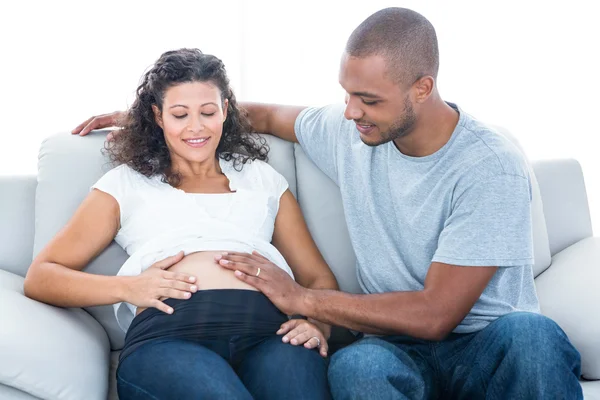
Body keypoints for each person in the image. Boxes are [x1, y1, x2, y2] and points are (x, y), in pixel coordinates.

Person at [72, 8, 583, 400]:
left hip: (485, 344)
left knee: (531, 336)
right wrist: (154, 116)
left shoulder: (487, 166)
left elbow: (436, 316)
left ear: (422, 89)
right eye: (347, 94)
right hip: (392, 348)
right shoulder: (351, 133)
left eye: (369, 100)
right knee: (355, 367)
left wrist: (305, 302)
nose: (350, 111)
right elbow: (268, 115)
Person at [26, 48, 338, 400]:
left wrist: (317, 325)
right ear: (158, 117)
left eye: (208, 112)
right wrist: (128, 288)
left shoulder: (262, 178)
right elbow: (42, 277)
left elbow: (318, 279)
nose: (195, 127)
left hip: (273, 333)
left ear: (225, 112)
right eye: (179, 114)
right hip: (170, 337)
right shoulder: (125, 183)